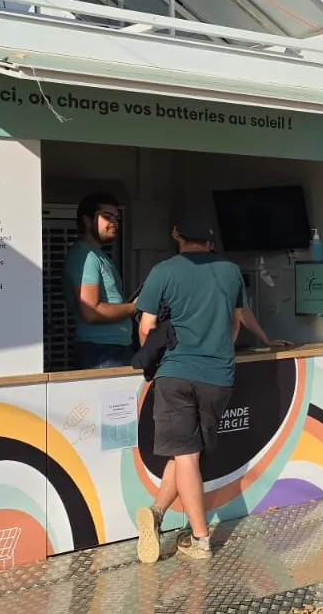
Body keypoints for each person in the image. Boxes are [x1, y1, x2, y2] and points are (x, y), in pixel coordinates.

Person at [133, 211, 245, 562]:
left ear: (176, 235)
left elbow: (146, 327)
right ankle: (156, 514)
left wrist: (153, 362)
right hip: (219, 378)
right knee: (188, 454)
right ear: (210, 240)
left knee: (185, 455)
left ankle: (200, 540)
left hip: (176, 374)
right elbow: (236, 324)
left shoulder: (163, 271)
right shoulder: (231, 271)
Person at [63, 193, 135, 370]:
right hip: (102, 353)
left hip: (110, 351)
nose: (114, 222)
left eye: (116, 218)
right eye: (107, 217)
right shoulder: (85, 255)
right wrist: (134, 307)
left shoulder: (96, 255)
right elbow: (91, 311)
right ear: (87, 221)